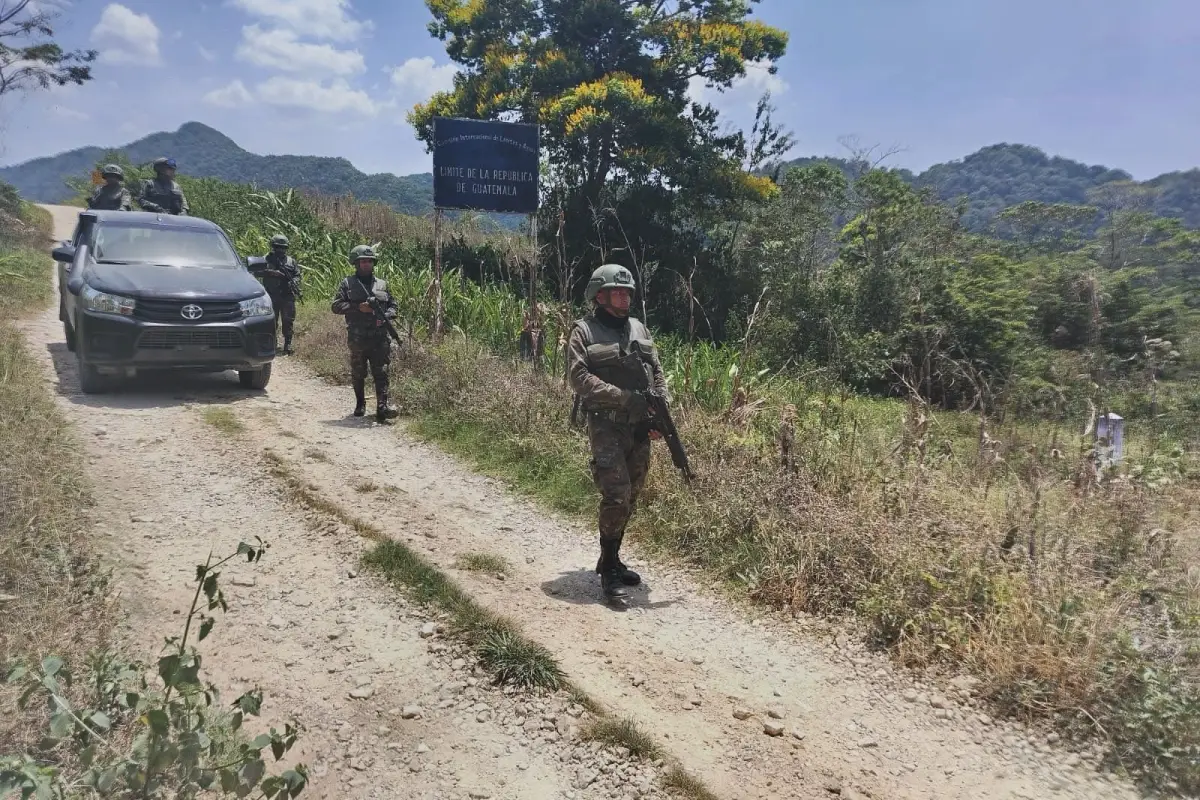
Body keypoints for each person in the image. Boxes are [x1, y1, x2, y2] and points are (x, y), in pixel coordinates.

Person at [566, 263, 669, 601]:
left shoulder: (639, 328)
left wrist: (659, 410)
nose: (625, 297)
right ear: (600, 294)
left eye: (628, 292)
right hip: (606, 424)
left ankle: (613, 556)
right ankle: (609, 569)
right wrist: (624, 399)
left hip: (639, 427)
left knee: (633, 494)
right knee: (617, 494)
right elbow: (579, 378)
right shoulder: (584, 331)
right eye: (617, 292)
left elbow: (656, 370)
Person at [331, 245, 400, 423]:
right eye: (362, 261)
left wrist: (388, 314)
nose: (366, 264)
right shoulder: (348, 283)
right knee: (358, 371)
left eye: (369, 261)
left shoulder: (382, 284)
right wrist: (357, 307)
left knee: (382, 372)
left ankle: (382, 407)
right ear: (355, 263)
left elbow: (393, 305)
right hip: (358, 337)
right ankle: (360, 403)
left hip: (379, 337)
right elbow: (336, 306)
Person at [257, 234, 302, 355]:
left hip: (287, 295)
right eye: (277, 247)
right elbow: (256, 272)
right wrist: (271, 273)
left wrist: (294, 282)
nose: (280, 250)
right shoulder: (265, 259)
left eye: (283, 248)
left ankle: (288, 343)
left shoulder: (291, 261)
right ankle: (272, 343)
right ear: (273, 247)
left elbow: (297, 275)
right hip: (271, 295)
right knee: (271, 321)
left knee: (288, 321)